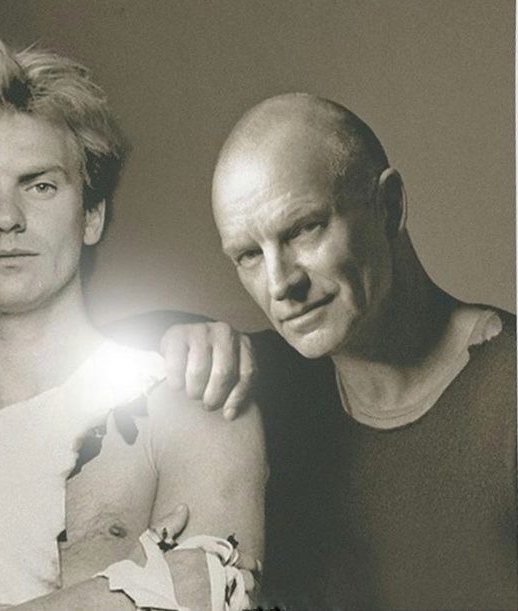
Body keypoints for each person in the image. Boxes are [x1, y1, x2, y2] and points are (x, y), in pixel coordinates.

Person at [0, 36, 267, 611]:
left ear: (91, 215)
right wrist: (130, 595)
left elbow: (220, 592)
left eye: (40, 186)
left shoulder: (191, 394)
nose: (5, 218)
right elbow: (188, 588)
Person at [193, 92, 516, 609]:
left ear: (389, 207)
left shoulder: (508, 392)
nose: (280, 283)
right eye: (249, 255)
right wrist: (180, 339)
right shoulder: (257, 384)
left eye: (303, 229)